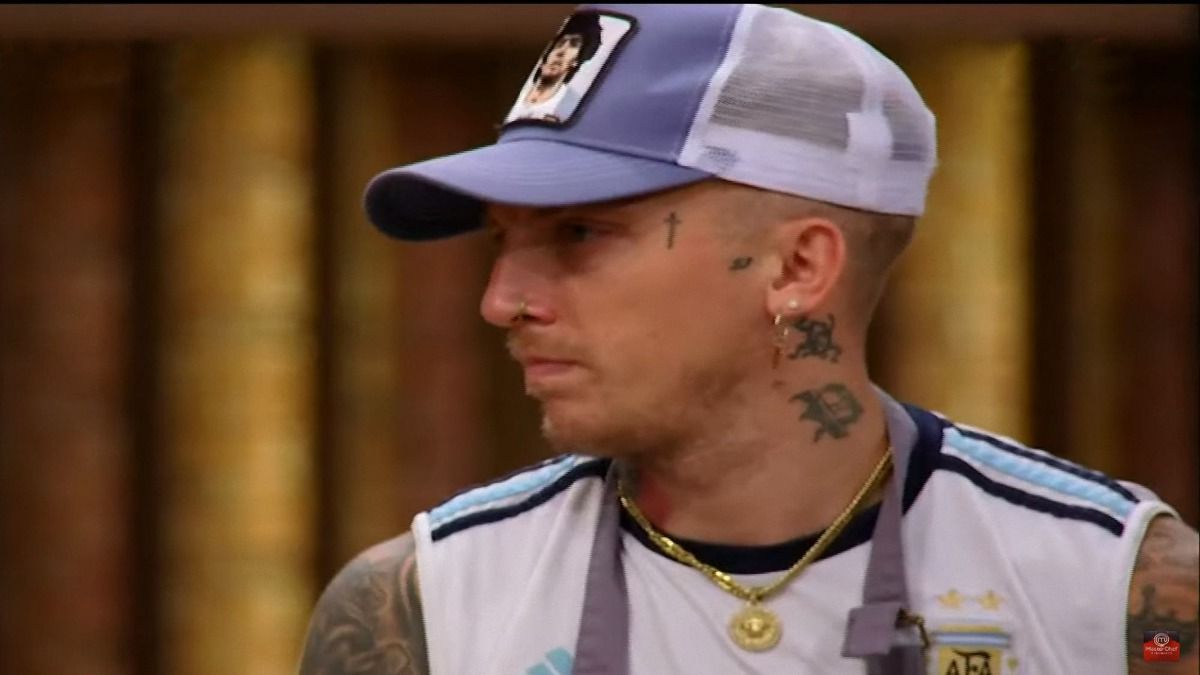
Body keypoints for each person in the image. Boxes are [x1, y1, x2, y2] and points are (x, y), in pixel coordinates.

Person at [298, 4, 1199, 675]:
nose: (501, 301)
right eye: (503, 240)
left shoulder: (1118, 596)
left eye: (578, 233)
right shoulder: (424, 607)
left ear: (798, 266)